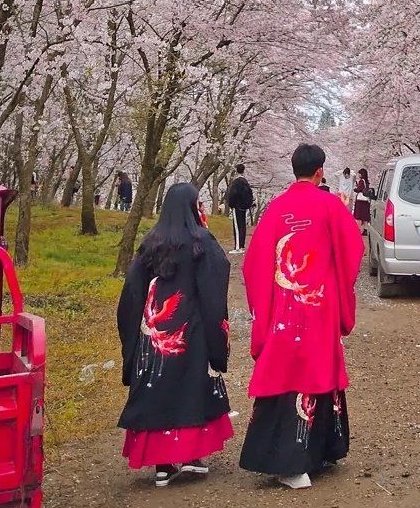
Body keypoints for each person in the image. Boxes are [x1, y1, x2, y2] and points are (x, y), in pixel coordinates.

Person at [240, 143, 364, 490]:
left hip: (283, 309)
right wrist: (338, 289)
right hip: (320, 307)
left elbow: (253, 265)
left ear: (293, 168)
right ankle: (313, 454)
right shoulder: (330, 206)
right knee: (318, 370)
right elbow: (353, 248)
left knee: (284, 375)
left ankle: (294, 459)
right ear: (320, 171)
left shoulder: (276, 208)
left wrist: (267, 306)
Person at [116, 183, 232, 489]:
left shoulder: (150, 242)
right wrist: (216, 332)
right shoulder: (201, 241)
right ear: (193, 207)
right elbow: (215, 282)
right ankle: (192, 458)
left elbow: (132, 293)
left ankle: (163, 467)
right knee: (191, 387)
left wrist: (133, 336)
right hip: (189, 331)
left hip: (154, 335)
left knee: (156, 392)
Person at [226, 164, 255, 254]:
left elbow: (233, 194)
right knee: (242, 226)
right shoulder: (245, 182)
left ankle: (238, 247)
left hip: (237, 206)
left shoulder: (236, 182)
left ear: (236, 170)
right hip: (244, 207)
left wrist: (231, 204)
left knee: (237, 226)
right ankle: (242, 246)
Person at [352, 168, 371, 232]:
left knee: (359, 216)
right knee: (364, 216)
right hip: (366, 200)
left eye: (359, 173)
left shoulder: (361, 181)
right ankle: (365, 229)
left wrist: (355, 189)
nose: (358, 175)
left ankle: (359, 229)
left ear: (361, 174)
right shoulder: (366, 181)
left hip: (360, 201)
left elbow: (359, 189)